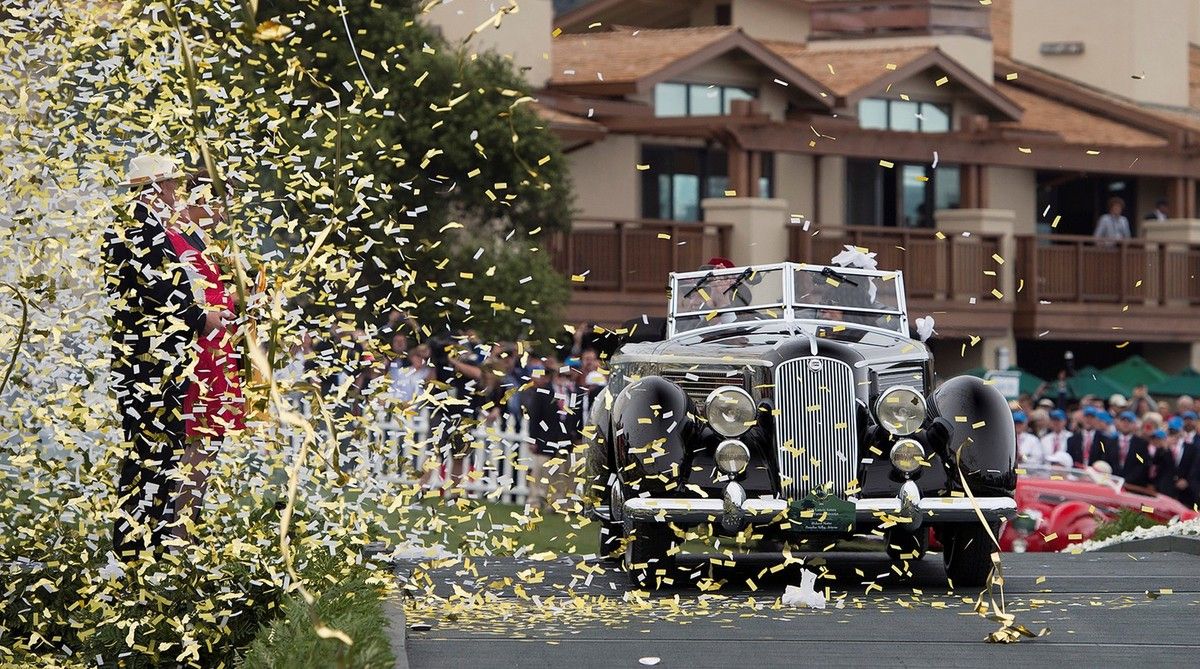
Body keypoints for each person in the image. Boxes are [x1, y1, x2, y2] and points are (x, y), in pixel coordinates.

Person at [105, 154, 229, 559]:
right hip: (146, 361)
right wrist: (200, 317)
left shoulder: (147, 225)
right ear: (157, 187)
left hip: (159, 359)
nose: (179, 192)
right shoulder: (137, 227)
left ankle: (151, 541)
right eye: (174, 185)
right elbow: (157, 290)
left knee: (164, 451)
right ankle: (133, 544)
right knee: (148, 451)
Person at [166, 170, 246, 539]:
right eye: (220, 201)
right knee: (196, 439)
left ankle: (190, 523)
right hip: (200, 352)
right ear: (197, 199)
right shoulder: (175, 239)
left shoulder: (202, 241)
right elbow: (190, 300)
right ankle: (179, 529)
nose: (226, 211)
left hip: (219, 350)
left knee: (211, 440)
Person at [1153, 416, 1198, 505]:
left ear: (1181, 431)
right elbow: (1155, 463)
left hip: (1185, 491)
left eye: (1175, 430)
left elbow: (1195, 467)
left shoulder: (1191, 448)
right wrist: (1165, 448)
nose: (1173, 433)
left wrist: (1187, 480)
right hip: (1165, 488)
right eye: (1171, 431)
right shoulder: (1163, 447)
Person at [1112, 411, 1152, 490]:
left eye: (1129, 421)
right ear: (1118, 423)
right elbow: (1107, 460)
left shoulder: (1141, 443)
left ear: (1134, 424)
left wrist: (1127, 480)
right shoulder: (1110, 441)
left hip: (1132, 485)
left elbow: (1142, 463)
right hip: (1112, 483)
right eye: (1123, 421)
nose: (1125, 424)